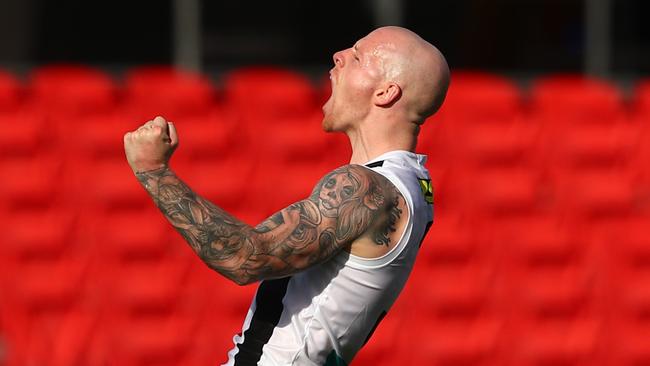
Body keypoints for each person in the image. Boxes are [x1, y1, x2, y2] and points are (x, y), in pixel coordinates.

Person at [123, 26, 450, 366]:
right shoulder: (411, 183)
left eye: (357, 56)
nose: (338, 57)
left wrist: (153, 171)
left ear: (385, 92)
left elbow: (244, 258)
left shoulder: (366, 187)